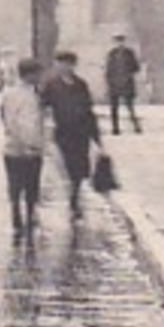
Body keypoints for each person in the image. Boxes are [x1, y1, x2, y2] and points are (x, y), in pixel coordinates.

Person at [41, 50, 103, 219]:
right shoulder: (52, 85)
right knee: (69, 164)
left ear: (73, 65)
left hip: (82, 130)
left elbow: (89, 109)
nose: (64, 67)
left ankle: (75, 192)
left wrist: (96, 137)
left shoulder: (80, 84)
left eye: (68, 64)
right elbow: (43, 105)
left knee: (82, 167)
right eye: (61, 63)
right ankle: (73, 197)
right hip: (63, 132)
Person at [0, 57, 48, 234]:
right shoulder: (31, 96)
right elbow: (29, 122)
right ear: (31, 75)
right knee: (31, 183)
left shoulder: (8, 93)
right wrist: (33, 143)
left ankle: (15, 212)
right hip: (29, 147)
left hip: (11, 145)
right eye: (38, 74)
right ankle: (29, 213)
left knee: (14, 182)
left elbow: (5, 117)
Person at [104, 32, 143, 135]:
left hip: (127, 83)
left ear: (124, 42)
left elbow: (136, 67)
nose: (119, 43)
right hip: (114, 84)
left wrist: (128, 74)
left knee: (130, 106)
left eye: (121, 41)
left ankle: (136, 126)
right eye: (117, 41)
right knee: (114, 108)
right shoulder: (111, 53)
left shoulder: (129, 53)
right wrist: (109, 82)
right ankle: (115, 128)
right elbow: (108, 70)